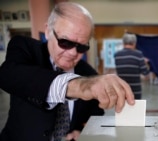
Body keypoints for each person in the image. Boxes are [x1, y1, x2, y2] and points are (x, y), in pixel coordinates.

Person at [0, 2, 135, 141]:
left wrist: (81, 130)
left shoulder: (89, 73)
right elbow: (9, 75)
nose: (72, 53)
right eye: (65, 42)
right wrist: (79, 86)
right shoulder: (25, 48)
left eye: (81, 47)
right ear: (48, 31)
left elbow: (95, 112)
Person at [114, 33, 150, 99]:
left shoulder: (117, 55)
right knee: (136, 108)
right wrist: (145, 63)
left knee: (122, 108)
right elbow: (145, 73)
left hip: (122, 90)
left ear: (123, 42)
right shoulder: (138, 54)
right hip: (135, 91)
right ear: (134, 43)